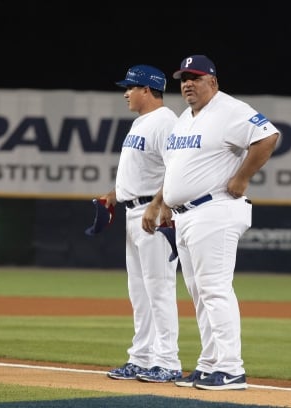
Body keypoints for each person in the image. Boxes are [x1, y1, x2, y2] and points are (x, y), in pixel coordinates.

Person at [142, 55, 280, 391]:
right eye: (183, 78)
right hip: (186, 215)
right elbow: (175, 169)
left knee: (215, 290)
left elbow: (268, 136)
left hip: (215, 210)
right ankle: (209, 365)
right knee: (200, 294)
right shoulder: (185, 120)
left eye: (195, 77)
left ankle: (231, 368)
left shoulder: (229, 109)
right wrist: (161, 202)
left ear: (213, 82)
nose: (187, 83)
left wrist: (243, 176)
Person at [103, 64, 182, 383]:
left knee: (159, 289)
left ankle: (168, 361)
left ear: (146, 90)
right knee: (140, 292)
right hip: (133, 212)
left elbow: (176, 169)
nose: (126, 92)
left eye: (131, 87)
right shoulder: (142, 122)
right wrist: (116, 193)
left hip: (154, 215)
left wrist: (160, 205)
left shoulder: (166, 122)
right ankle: (142, 357)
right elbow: (141, 169)